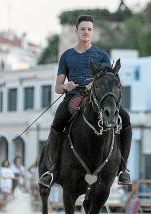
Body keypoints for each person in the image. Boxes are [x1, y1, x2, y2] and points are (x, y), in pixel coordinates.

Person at [38, 14, 132, 189]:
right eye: (83, 29)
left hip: (97, 98)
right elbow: (57, 87)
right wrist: (66, 86)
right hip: (73, 97)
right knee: (58, 121)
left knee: (125, 119)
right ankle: (51, 170)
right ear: (77, 31)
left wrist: (95, 84)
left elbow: (110, 79)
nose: (86, 32)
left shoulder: (101, 54)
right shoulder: (67, 56)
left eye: (89, 29)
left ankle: (123, 168)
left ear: (93, 32)